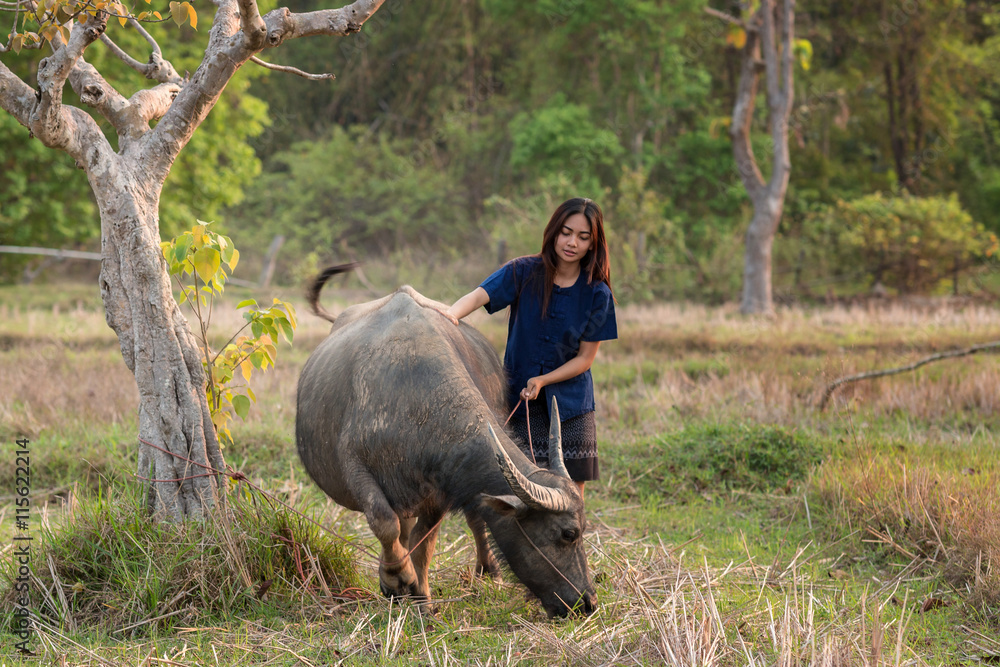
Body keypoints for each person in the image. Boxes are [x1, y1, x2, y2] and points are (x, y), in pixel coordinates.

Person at [444, 197, 617, 498]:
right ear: (553, 232)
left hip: (572, 407)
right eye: (566, 232)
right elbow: (477, 296)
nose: (572, 242)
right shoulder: (522, 271)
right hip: (520, 401)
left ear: (593, 244)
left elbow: (585, 359)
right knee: (522, 488)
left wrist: (543, 380)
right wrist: (449, 316)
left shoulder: (597, 293)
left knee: (570, 492)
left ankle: (565, 546)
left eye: (583, 237)